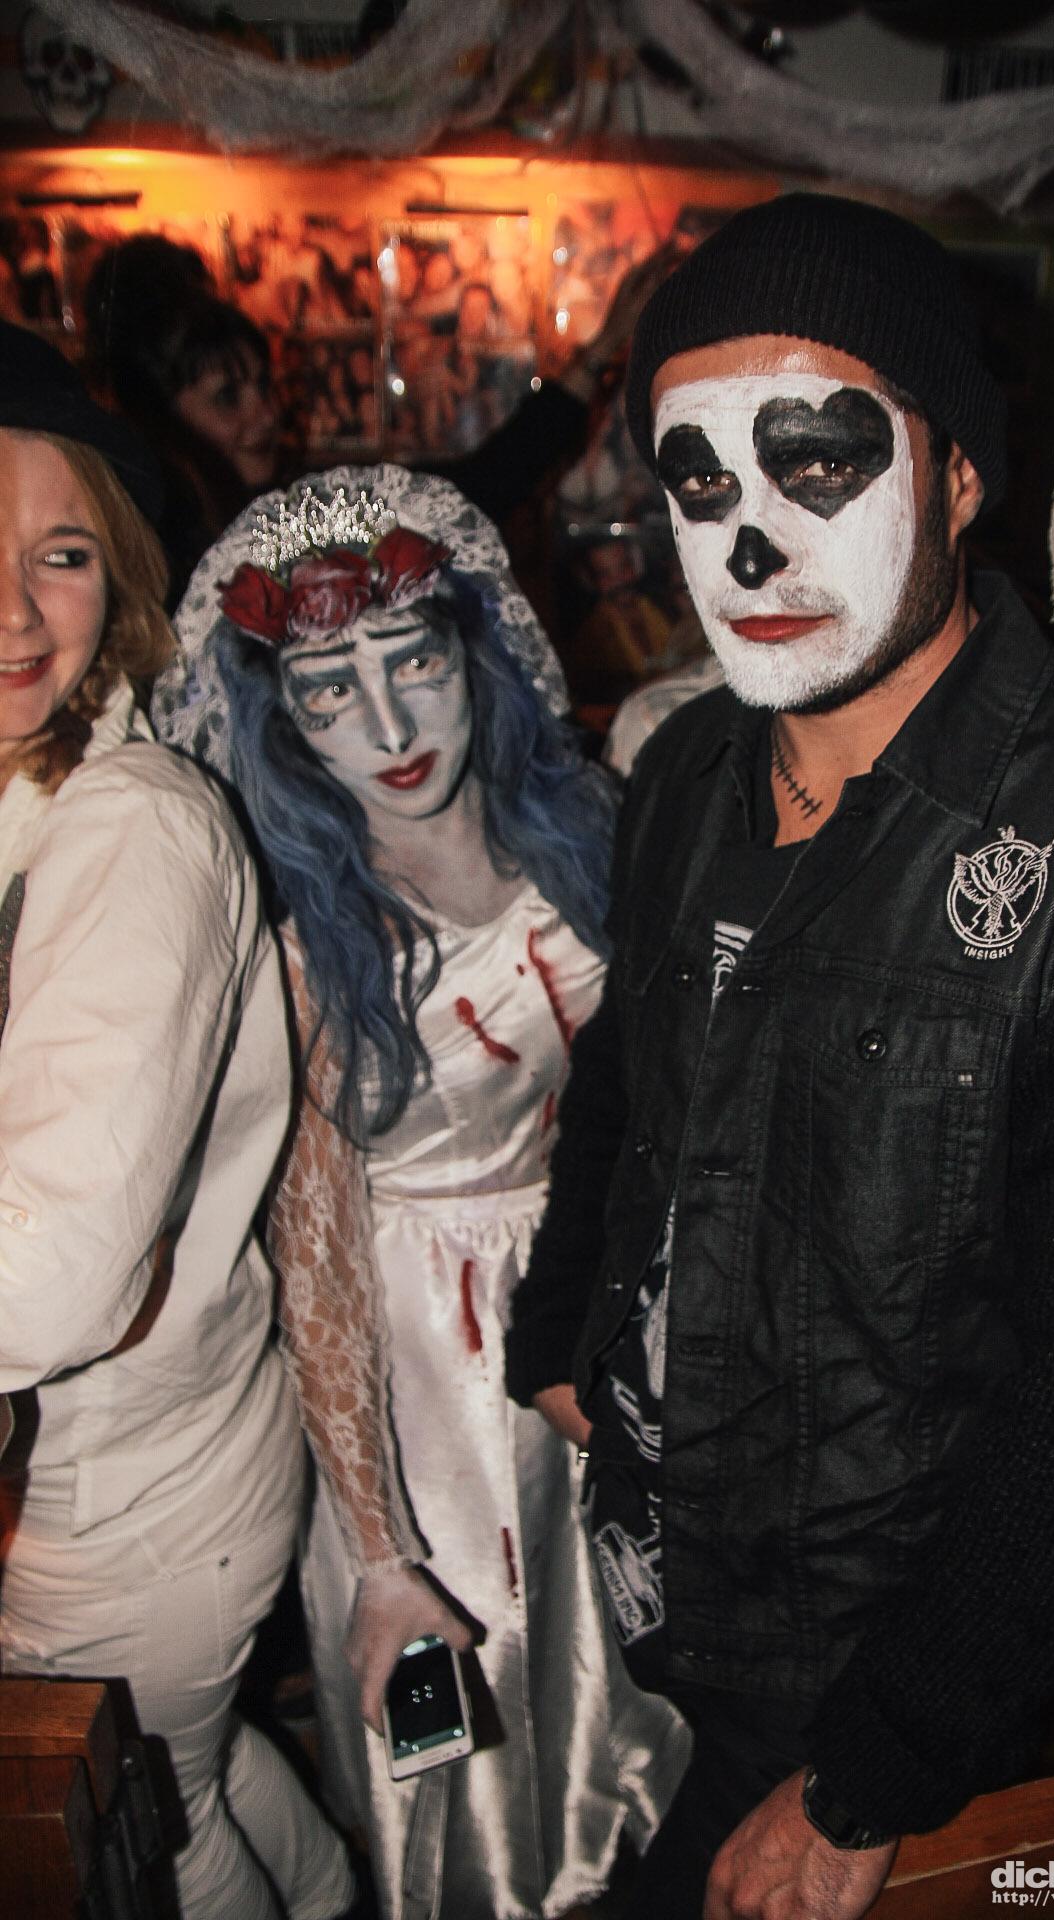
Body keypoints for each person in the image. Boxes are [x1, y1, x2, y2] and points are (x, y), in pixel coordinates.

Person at [504, 192, 1054, 1920]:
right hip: (683, 1598)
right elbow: (626, 1080)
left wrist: (874, 1774)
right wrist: (564, 1333)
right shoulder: (689, 772)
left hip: (882, 1689)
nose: (750, 547)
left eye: (818, 462)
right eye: (702, 481)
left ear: (961, 474)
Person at [153, 465, 689, 1920]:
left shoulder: (587, 828)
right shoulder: (306, 949)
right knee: (484, 1718)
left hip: (609, 1308)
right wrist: (382, 1548)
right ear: (284, 721)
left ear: (475, 655)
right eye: (330, 691)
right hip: (428, 1387)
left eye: (414, 664)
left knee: (630, 1678)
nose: (389, 730)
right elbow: (318, 1261)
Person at [0, 324, 353, 1919]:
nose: (18, 613)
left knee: (153, 1832)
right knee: (192, 1782)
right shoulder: (30, 786)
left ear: (123, 574)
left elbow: (44, 1281)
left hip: (122, 1504)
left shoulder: (133, 826)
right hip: (152, 1463)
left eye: (62, 555)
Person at [85, 239, 281, 602]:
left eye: (265, 386)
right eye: (227, 397)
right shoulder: (162, 554)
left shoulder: (236, 516)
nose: (267, 415)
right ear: (161, 414)